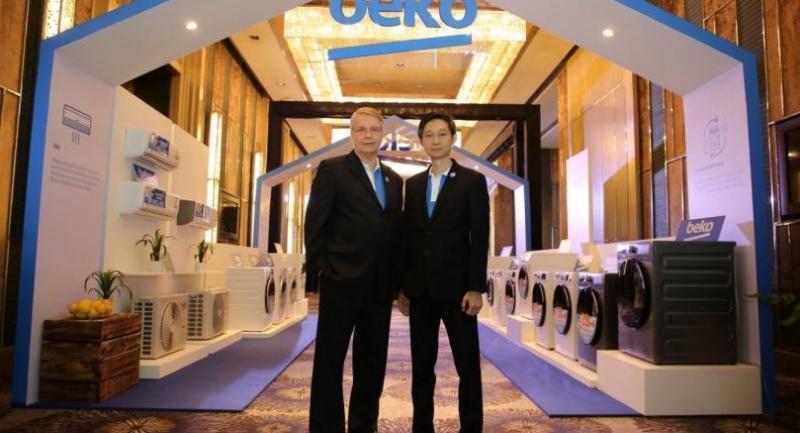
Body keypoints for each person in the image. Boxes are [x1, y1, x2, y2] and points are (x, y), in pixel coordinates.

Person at [305, 107, 403, 433]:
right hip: (340, 281)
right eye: (361, 129)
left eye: (374, 129)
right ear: (352, 133)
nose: (368, 135)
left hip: (380, 287)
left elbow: (395, 232)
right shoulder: (332, 170)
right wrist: (321, 270)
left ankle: (364, 426)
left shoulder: (393, 179)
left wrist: (398, 281)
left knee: (372, 363)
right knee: (329, 362)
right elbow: (315, 223)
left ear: (382, 134)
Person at [398, 112, 490, 433]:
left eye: (441, 134)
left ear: (453, 138)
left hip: (459, 292)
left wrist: (476, 287)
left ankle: (471, 428)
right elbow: (408, 238)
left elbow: (480, 237)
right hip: (420, 292)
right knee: (422, 369)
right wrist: (403, 287)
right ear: (421, 141)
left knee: (468, 367)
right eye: (428, 135)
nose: (435, 141)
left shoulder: (472, 181)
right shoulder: (413, 184)